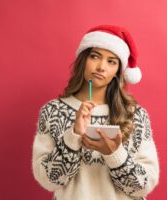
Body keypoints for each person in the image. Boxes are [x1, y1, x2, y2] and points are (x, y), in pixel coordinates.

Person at [32, 25, 159, 200]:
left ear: (117, 71)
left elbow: (143, 185)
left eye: (111, 61)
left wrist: (115, 154)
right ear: (83, 59)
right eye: (95, 56)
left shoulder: (135, 115)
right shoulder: (53, 111)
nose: (101, 67)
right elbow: (49, 181)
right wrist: (73, 136)